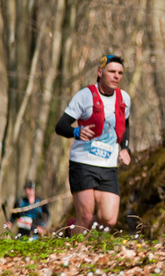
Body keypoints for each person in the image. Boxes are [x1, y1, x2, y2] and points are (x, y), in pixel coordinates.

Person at [54, 55, 132, 234]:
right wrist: (76, 131)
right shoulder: (84, 96)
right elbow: (60, 126)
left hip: (108, 166)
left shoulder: (124, 98)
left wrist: (125, 147)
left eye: (120, 73)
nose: (116, 76)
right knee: (87, 217)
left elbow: (126, 124)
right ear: (100, 72)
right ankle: (75, 249)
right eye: (112, 72)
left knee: (109, 219)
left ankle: (71, 228)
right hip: (83, 163)